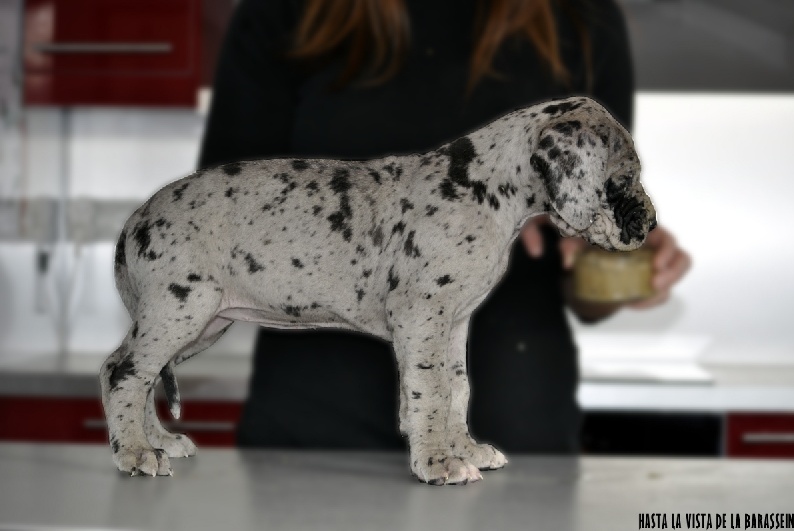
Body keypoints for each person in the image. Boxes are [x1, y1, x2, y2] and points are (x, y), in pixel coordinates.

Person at [198, 0, 690, 453]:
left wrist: (614, 260)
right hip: (311, 435)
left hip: (520, 435)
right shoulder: (286, 12)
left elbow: (586, 272)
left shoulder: (583, 16)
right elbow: (223, 220)